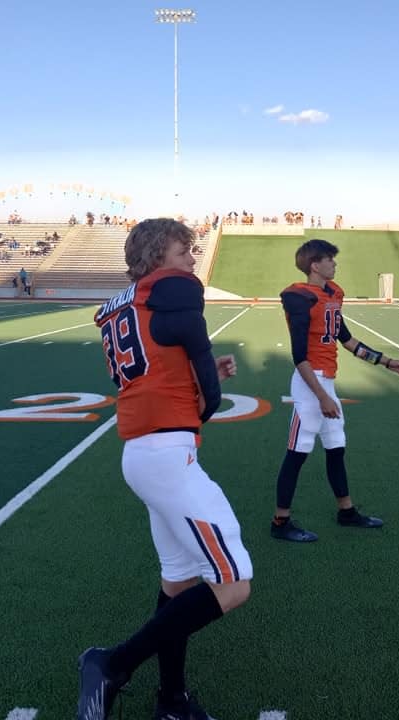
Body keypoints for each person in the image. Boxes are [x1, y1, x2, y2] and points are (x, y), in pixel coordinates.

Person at [81, 218, 251, 720]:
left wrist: (195, 379)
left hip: (142, 450)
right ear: (159, 252)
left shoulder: (126, 304)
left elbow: (155, 369)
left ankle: (172, 701)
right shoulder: (173, 288)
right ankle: (111, 663)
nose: (193, 259)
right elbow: (206, 395)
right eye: (185, 249)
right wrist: (204, 396)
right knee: (234, 581)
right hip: (166, 454)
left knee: (177, 584)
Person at [270, 238, 399, 542]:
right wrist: (320, 396)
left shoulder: (332, 294)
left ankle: (346, 511)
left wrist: (386, 361)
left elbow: (346, 340)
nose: (335, 263)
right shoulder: (299, 297)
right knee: (298, 452)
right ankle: (280, 522)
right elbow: (299, 356)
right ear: (314, 265)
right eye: (329, 259)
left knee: (336, 446)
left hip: (327, 381)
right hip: (311, 383)